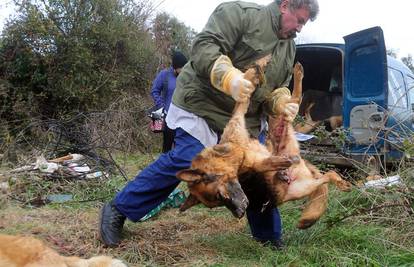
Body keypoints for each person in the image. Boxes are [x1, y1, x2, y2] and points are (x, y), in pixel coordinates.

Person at [99, 0, 319, 248]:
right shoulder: (239, 14)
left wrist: (280, 102)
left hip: (241, 120)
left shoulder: (289, 48)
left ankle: (268, 236)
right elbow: (204, 48)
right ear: (285, 6)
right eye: (299, 20)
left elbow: (274, 90)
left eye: (304, 23)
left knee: (257, 173)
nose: (300, 28)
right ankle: (119, 209)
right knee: (190, 159)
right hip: (202, 106)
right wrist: (229, 78)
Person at [150, 51, 188, 152]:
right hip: (167, 118)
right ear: (176, 67)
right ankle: (164, 166)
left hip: (182, 118)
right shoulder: (164, 75)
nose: (184, 70)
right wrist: (161, 106)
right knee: (167, 147)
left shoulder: (186, 78)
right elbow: (154, 91)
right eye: (182, 67)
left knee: (180, 148)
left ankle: (177, 166)